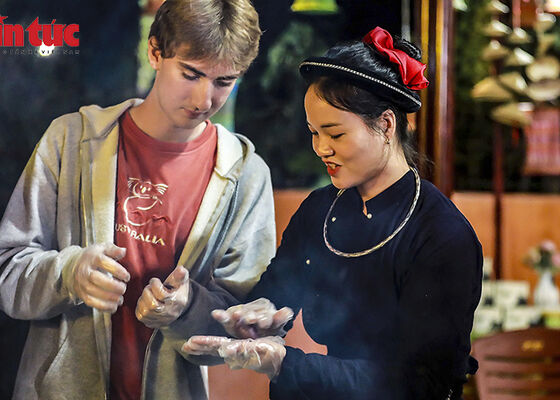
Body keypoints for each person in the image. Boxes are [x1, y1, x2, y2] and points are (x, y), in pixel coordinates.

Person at [0, 1, 275, 399]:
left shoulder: (246, 175)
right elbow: (5, 277)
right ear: (155, 52)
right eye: (190, 74)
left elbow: (238, 328)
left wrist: (188, 309)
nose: (204, 99)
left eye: (224, 82)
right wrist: (70, 274)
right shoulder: (71, 140)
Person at [183, 27, 483, 399]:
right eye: (314, 133)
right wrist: (257, 315)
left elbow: (421, 384)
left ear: (386, 125)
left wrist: (285, 363)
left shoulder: (441, 235)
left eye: (335, 134)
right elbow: (278, 292)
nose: (321, 148)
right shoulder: (321, 210)